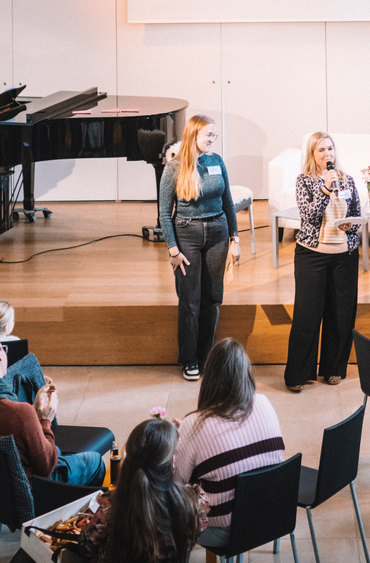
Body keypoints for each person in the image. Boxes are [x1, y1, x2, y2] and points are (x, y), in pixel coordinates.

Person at [0, 330, 105, 485]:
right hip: (29, 493)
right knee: (95, 461)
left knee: (59, 451)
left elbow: (8, 426)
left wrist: (32, 411)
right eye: (3, 348)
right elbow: (47, 467)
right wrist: (45, 420)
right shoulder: (20, 414)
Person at [173, 338, 284, 547]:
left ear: (210, 377)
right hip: (274, 515)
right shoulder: (264, 403)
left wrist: (183, 438)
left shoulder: (195, 424)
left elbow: (178, 484)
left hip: (225, 531)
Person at [158, 114, 240, 382]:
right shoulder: (175, 167)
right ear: (193, 135)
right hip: (187, 234)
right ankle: (189, 359)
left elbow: (228, 202)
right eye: (208, 135)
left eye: (214, 135)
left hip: (218, 232)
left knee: (212, 298)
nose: (212, 140)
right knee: (190, 302)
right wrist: (172, 249)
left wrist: (234, 239)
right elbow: (163, 212)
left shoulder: (216, 161)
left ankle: (207, 358)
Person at [282, 132, 361, 392]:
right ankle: (299, 374)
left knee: (340, 315)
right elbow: (309, 215)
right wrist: (325, 189)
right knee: (307, 315)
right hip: (312, 255)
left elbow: (356, 215)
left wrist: (352, 226)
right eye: (321, 151)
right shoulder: (304, 181)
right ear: (312, 156)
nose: (327, 155)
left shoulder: (348, 180)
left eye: (330, 149)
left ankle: (333, 368)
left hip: (344, 256)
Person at [78, 418, 206, 563]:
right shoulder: (195, 503)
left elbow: (85, 548)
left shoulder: (109, 511)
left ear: (128, 464)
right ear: (172, 462)